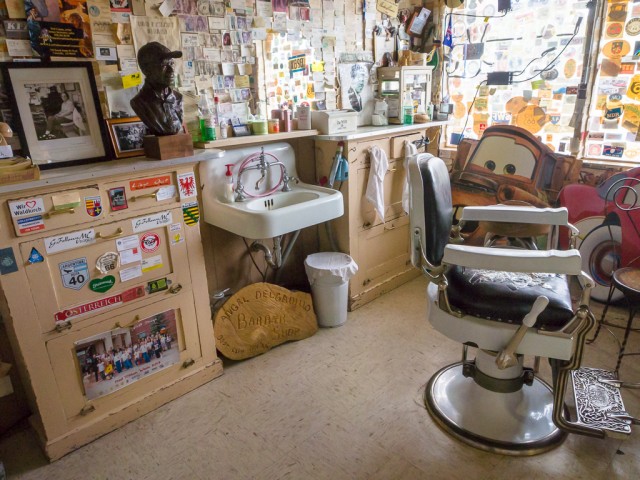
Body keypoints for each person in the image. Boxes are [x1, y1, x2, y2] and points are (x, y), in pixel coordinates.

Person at [130, 42, 185, 136]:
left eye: (171, 63)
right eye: (164, 65)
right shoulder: (140, 103)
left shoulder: (178, 98)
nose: (171, 70)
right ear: (147, 70)